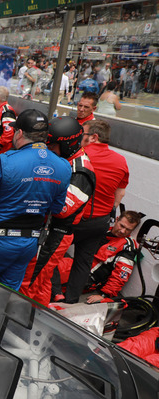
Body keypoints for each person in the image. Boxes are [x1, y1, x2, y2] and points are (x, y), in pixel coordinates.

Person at [0, 109, 72, 290]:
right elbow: (56, 208)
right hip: (28, 244)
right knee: (5, 296)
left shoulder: (4, 161)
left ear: (20, 133)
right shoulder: (63, 166)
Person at [19, 117, 94, 306]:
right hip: (46, 230)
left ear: (67, 145)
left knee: (30, 280)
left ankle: (19, 319)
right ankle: (39, 318)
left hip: (56, 235)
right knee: (43, 282)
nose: (48, 149)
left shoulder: (82, 172)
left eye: (53, 146)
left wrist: (34, 188)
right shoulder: (63, 160)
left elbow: (63, 209)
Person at [64, 119, 130, 303]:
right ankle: (71, 299)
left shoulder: (80, 155)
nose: (80, 138)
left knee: (50, 252)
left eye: (83, 135)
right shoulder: (121, 160)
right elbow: (121, 191)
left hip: (75, 218)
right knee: (83, 261)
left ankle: (55, 292)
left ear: (93, 137)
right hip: (100, 221)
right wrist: (112, 210)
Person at [57, 211, 142, 303]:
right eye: (122, 226)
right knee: (46, 267)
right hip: (73, 263)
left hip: (86, 277)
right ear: (117, 219)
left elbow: (121, 275)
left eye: (128, 230)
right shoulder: (103, 229)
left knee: (49, 282)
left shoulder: (127, 246)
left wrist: (104, 295)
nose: (123, 231)